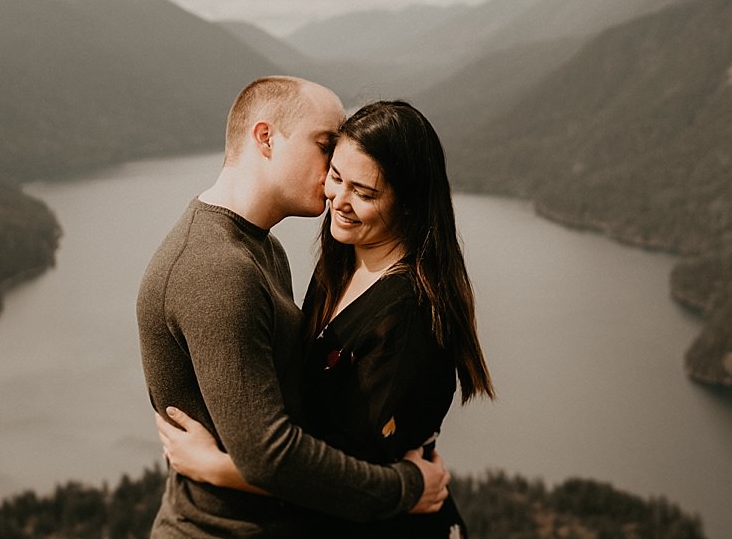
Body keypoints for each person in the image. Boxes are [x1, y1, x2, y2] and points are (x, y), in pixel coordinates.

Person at [158, 99, 494, 538]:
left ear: (409, 203)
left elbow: (353, 477)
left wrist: (217, 468)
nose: (340, 199)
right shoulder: (344, 263)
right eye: (336, 176)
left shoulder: (409, 314)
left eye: (365, 192)